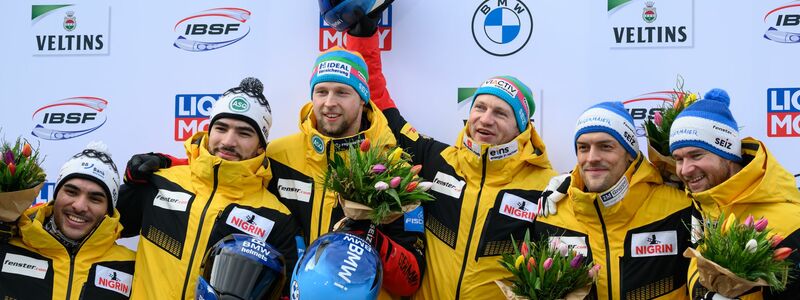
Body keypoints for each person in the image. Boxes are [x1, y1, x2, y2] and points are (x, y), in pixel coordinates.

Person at [344, 21, 558, 299]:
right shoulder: (434, 159)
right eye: (479, 107)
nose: (485, 119)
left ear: (522, 127)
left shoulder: (547, 188)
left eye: (500, 113)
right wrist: (364, 37)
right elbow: (382, 110)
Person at [116, 78, 301, 300]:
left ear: (261, 145)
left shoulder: (277, 218)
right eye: (221, 128)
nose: (228, 141)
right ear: (209, 131)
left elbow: (285, 293)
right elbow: (103, 228)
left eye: (244, 133)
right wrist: (127, 185)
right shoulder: (161, 182)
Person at [263, 47, 425, 298]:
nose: (329, 103)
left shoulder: (392, 166)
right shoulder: (278, 155)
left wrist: (372, 239)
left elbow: (410, 280)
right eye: (321, 91)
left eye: (342, 92)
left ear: (362, 99)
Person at [532, 102, 693, 299]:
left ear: (629, 155)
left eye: (605, 146)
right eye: (583, 148)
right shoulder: (550, 213)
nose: (592, 158)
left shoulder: (680, 208)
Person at [669, 88, 800, 300]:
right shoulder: (702, 208)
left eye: (696, 155)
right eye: (678, 158)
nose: (685, 169)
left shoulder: (791, 223)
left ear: (728, 155)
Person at [0, 142, 136, 299]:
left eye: (95, 198)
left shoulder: (131, 266)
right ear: (56, 195)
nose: (79, 206)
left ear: (108, 210)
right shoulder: (8, 245)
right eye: (71, 192)